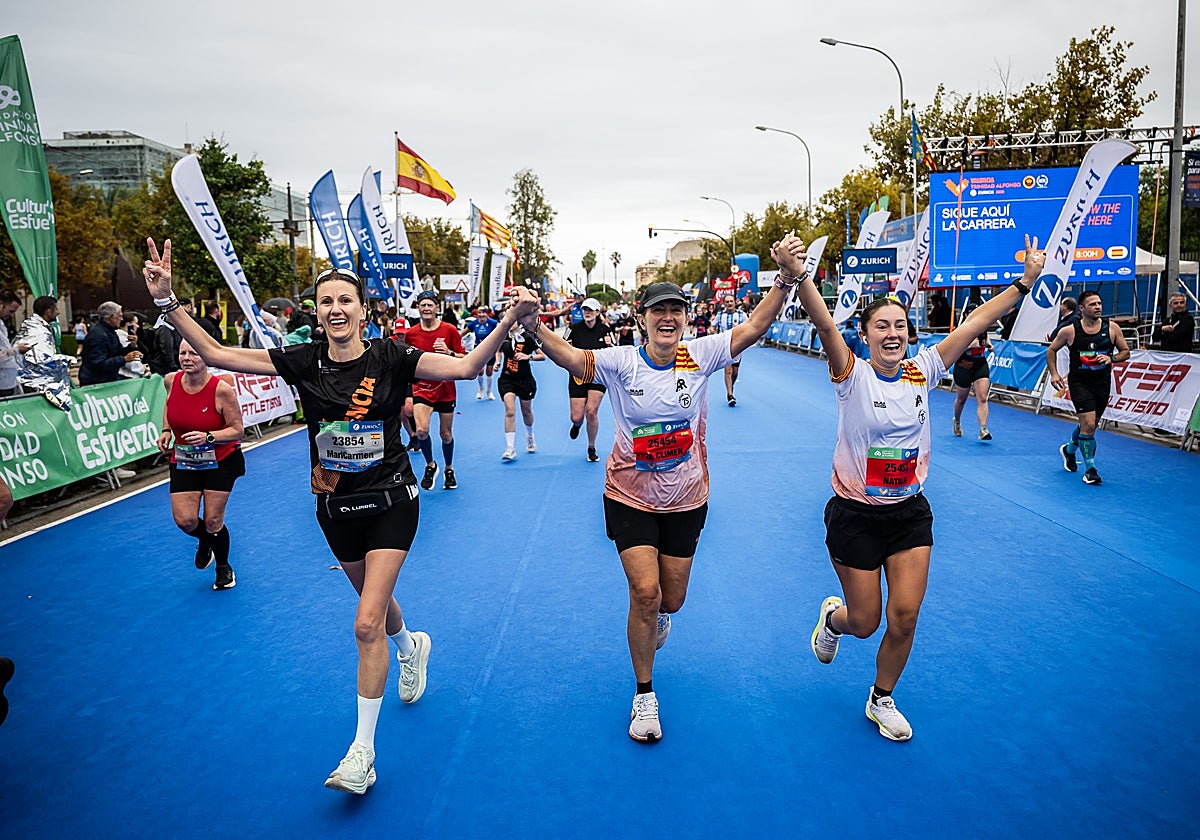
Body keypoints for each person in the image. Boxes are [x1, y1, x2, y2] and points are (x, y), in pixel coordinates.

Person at [144, 240, 540, 794]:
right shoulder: (302, 360)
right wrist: (167, 304)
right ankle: (412, 647)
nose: (335, 309)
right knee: (373, 607)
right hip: (334, 507)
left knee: (363, 622)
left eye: (345, 300)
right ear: (317, 312)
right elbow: (216, 354)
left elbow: (470, 364)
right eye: (325, 301)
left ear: (362, 309)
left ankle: (362, 754)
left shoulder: (394, 356)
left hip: (392, 501)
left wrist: (507, 321)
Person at [514, 255, 802, 743]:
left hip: (687, 499)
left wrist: (786, 280)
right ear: (642, 317)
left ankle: (658, 616)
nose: (667, 318)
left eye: (676, 310)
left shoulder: (701, 355)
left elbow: (754, 327)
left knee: (672, 598)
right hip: (629, 495)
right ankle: (644, 695)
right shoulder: (622, 361)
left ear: (685, 317)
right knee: (644, 593)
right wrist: (532, 325)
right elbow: (570, 358)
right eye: (657, 310)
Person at [795, 234, 1048, 743]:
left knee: (905, 615)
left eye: (900, 326)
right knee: (865, 621)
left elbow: (975, 323)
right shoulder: (851, 375)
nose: (893, 334)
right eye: (881, 327)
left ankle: (881, 698)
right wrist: (799, 275)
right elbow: (824, 322)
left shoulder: (922, 370)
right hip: (854, 514)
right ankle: (832, 619)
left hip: (909, 513)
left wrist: (1025, 281)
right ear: (864, 336)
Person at [155, 340, 246, 590]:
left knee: (213, 520)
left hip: (221, 460)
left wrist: (209, 436)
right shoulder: (171, 381)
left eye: (194, 353)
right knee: (185, 521)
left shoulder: (222, 390)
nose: (187, 358)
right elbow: (168, 404)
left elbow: (238, 430)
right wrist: (166, 430)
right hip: (185, 458)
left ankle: (224, 567)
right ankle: (207, 541)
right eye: (183, 352)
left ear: (206, 356)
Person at [1046, 289, 1131, 486]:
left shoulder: (1112, 328)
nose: (1098, 307)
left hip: (1101, 383)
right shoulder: (1069, 330)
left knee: (1090, 424)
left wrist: (1111, 358)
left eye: (1100, 303)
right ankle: (1090, 470)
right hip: (1079, 382)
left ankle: (1069, 449)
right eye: (1093, 304)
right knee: (1089, 425)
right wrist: (1054, 374)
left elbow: (1126, 352)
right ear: (1082, 309)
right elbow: (1051, 350)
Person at [404, 290, 469, 490]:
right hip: (421, 387)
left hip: (445, 387)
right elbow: (406, 362)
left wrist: (449, 353)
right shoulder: (411, 334)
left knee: (445, 434)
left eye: (429, 305)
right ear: (418, 308)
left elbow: (463, 357)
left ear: (436, 308)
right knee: (422, 430)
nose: (426, 308)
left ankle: (449, 469)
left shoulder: (449, 330)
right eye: (422, 305)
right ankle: (430, 465)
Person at [562, 297, 612, 462]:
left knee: (591, 411)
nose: (587, 313)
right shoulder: (573, 328)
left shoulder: (605, 329)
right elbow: (562, 346)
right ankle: (577, 425)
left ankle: (591, 447)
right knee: (577, 417)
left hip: (598, 374)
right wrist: (566, 346)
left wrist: (610, 345)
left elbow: (615, 351)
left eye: (591, 310)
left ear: (598, 312)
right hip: (578, 375)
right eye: (585, 310)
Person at [497, 318, 545, 460]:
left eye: (512, 322)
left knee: (526, 412)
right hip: (507, 380)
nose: (509, 324)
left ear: (518, 323)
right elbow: (498, 351)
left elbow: (542, 356)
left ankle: (530, 435)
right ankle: (510, 448)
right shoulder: (503, 337)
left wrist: (528, 356)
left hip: (525, 380)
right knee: (510, 411)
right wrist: (498, 362)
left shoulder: (527, 338)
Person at [79, 302, 143, 385]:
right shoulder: (99, 335)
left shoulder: (109, 331)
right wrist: (124, 359)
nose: (122, 319)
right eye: (120, 316)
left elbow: (116, 352)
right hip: (96, 383)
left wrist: (131, 346)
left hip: (104, 380)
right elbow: (98, 364)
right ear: (111, 317)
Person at [951, 332, 993, 440]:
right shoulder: (962, 330)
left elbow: (987, 342)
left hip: (980, 365)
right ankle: (956, 420)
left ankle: (983, 430)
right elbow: (952, 350)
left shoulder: (983, 330)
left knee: (983, 398)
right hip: (964, 366)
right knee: (961, 399)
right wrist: (967, 346)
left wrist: (989, 346)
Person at [712, 294, 748, 406]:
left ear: (735, 302)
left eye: (731, 301)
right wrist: (711, 331)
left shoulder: (741, 315)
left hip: (738, 345)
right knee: (728, 370)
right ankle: (730, 395)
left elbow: (749, 327)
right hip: (724, 345)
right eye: (727, 302)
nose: (729, 304)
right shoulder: (720, 315)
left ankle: (730, 386)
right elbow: (713, 326)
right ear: (724, 304)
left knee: (735, 372)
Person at [462, 306, 501, 400]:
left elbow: (501, 329)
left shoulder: (492, 322)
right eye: (479, 313)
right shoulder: (474, 323)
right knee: (480, 371)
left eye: (483, 313)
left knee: (489, 370)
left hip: (490, 348)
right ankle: (481, 389)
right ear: (477, 314)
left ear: (486, 314)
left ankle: (489, 391)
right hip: (478, 348)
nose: (481, 315)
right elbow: (463, 332)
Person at [149, 296, 195, 375]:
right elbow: (167, 351)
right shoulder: (165, 330)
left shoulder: (173, 329)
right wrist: (174, 368)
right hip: (164, 370)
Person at [0, 290, 21, 397]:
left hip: (8, 382)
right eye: (11, 311)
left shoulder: (1, 325)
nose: (11, 315)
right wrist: (16, 350)